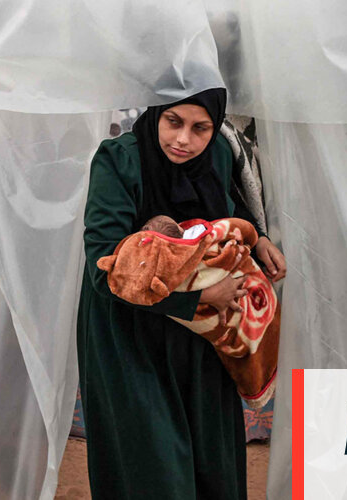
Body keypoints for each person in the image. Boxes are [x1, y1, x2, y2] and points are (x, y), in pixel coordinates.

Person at [78, 84, 287, 499]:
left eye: (200, 128)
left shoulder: (218, 154)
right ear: (158, 112)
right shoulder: (119, 160)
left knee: (213, 466)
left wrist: (259, 238)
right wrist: (199, 299)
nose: (183, 140)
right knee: (154, 469)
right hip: (130, 335)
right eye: (173, 121)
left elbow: (228, 203)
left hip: (200, 338)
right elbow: (104, 269)